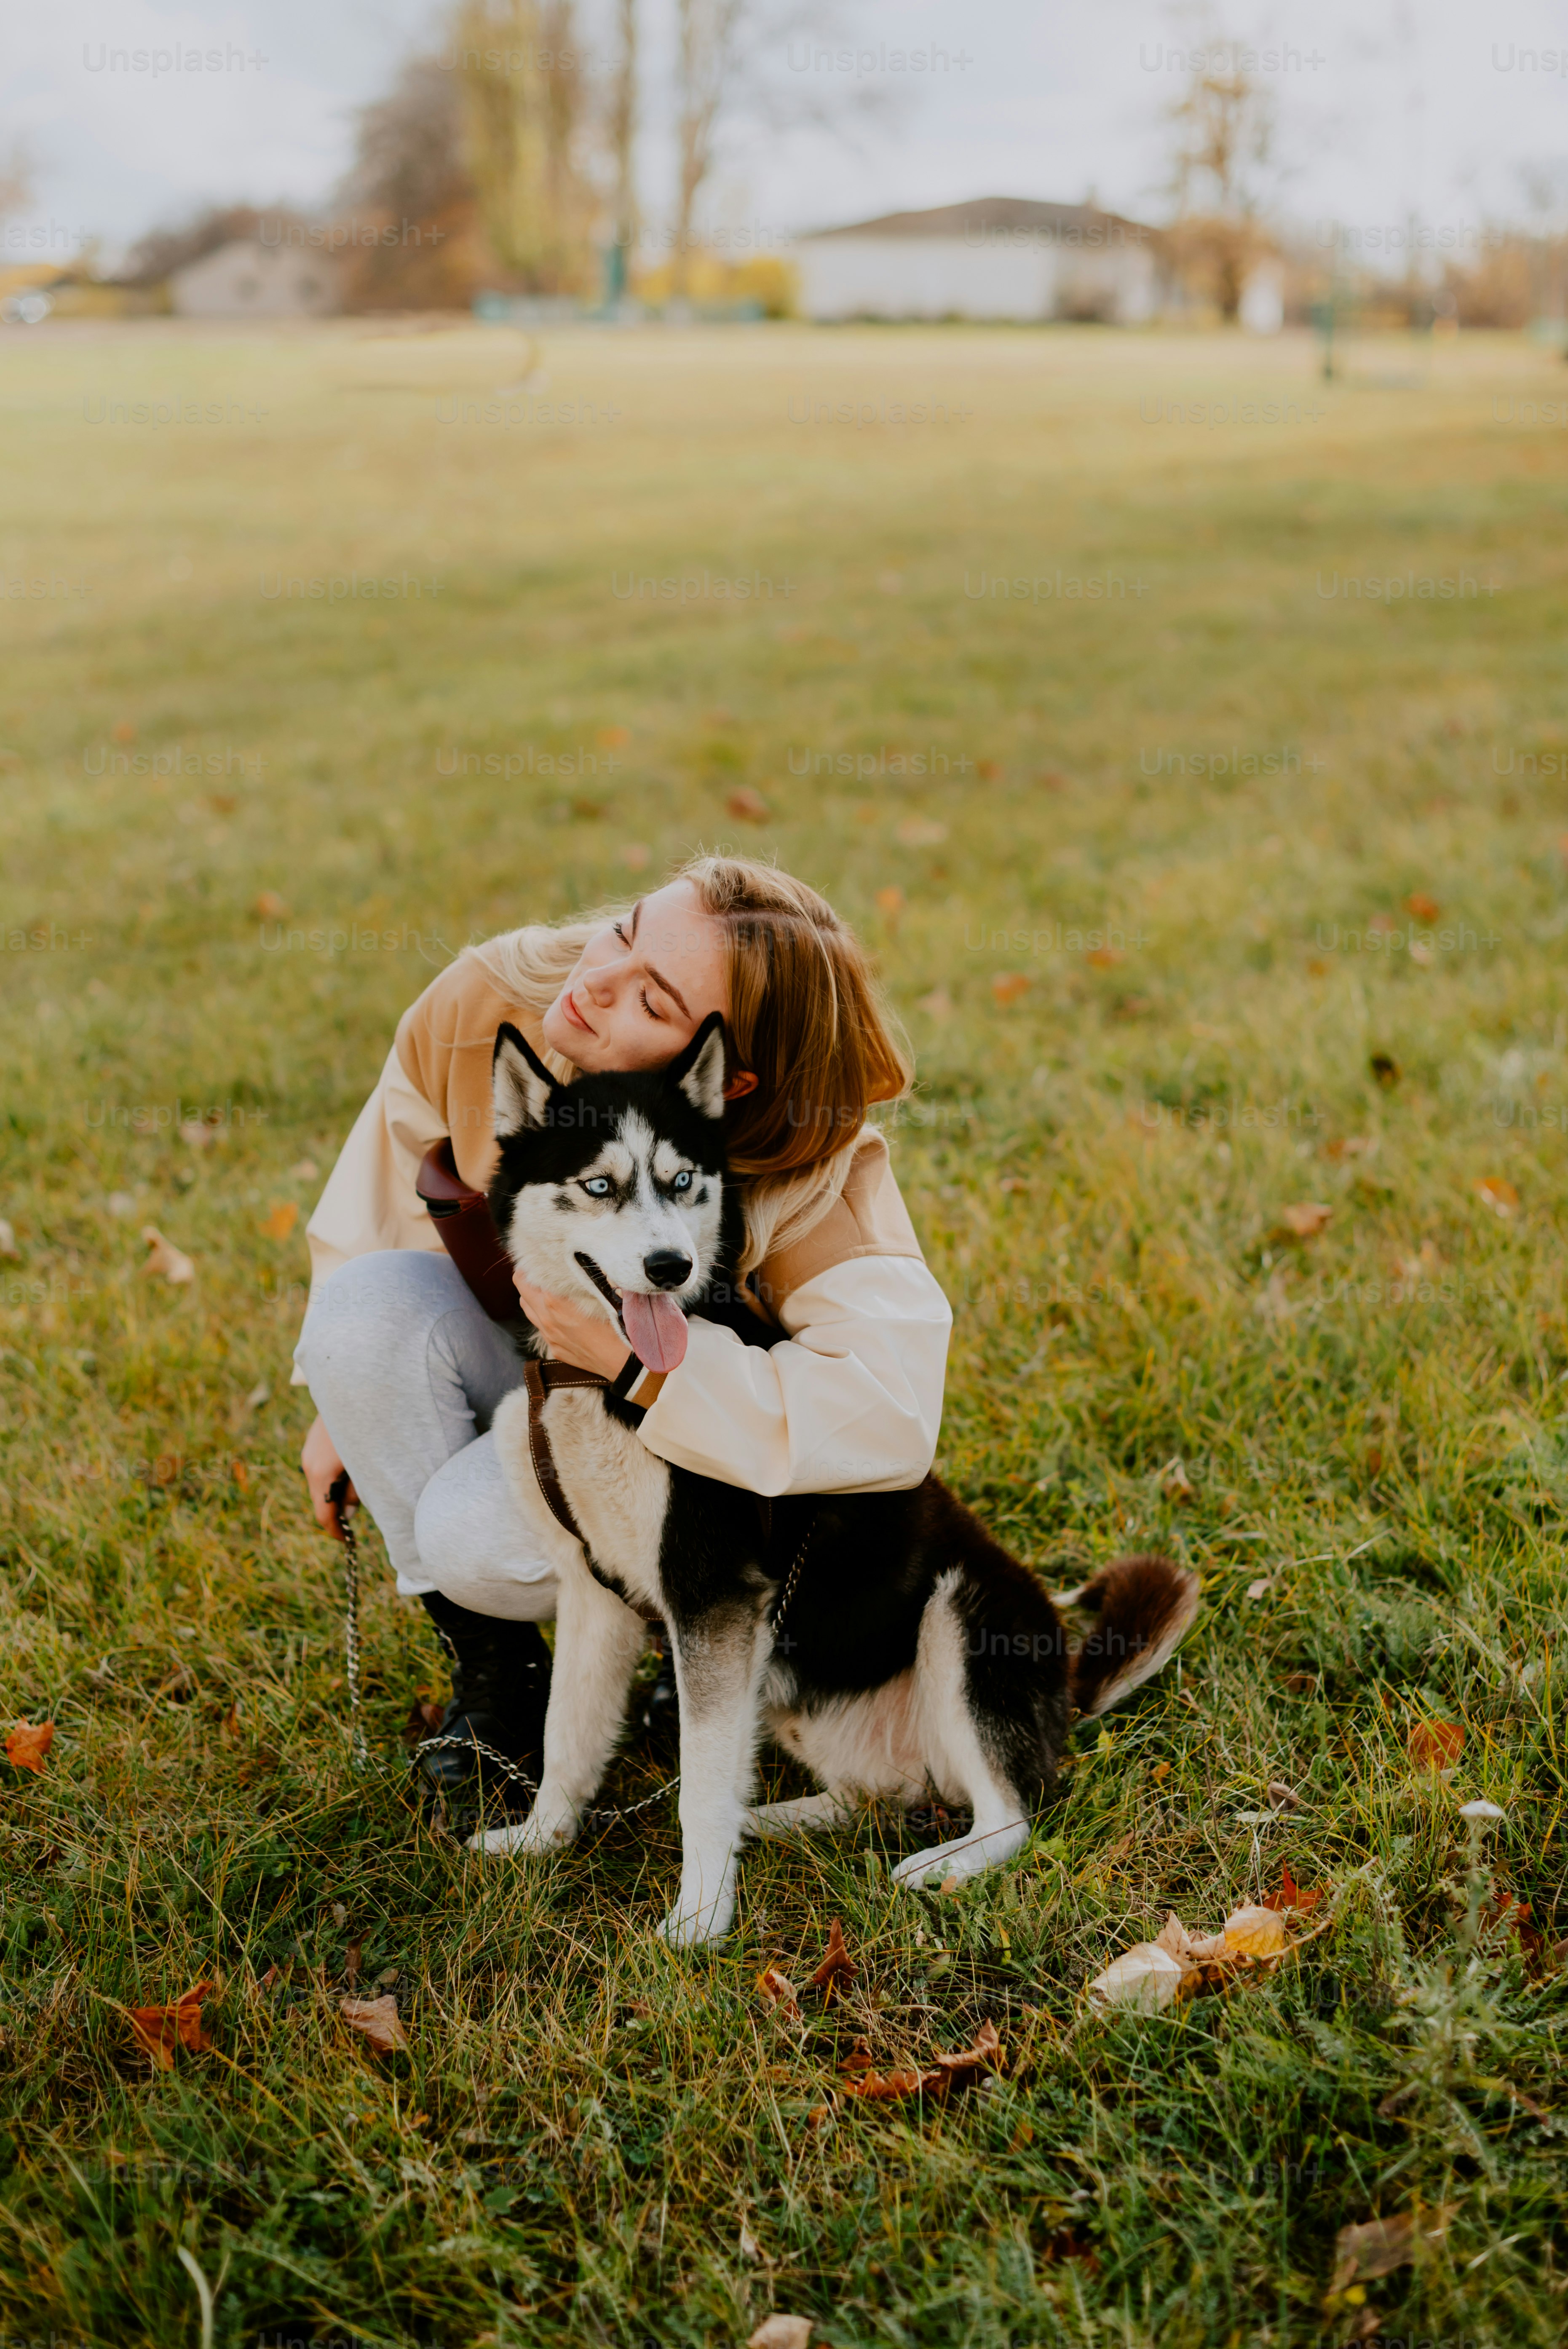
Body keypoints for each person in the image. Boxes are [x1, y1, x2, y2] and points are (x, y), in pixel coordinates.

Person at [293, 854, 953, 1804]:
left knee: (469, 1534)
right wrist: (348, 1398)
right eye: (625, 931)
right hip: (535, 1370)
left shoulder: (816, 1171)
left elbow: (886, 1410)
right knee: (356, 1319)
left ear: (729, 1079)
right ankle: (498, 1682)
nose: (594, 982)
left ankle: (708, 1639)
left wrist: (651, 1378)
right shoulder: (496, 997)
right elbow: (384, 1198)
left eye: (652, 999)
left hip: (695, 1472)